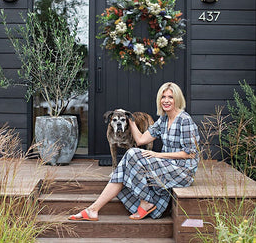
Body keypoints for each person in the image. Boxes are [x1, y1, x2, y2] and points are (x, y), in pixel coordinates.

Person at [68, 82, 200, 221]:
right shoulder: (164, 120)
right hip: (166, 164)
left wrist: (157, 154)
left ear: (177, 99)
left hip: (183, 170)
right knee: (130, 157)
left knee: (132, 154)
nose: (166, 100)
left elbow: (190, 153)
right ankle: (93, 209)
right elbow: (141, 140)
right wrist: (128, 118)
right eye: (163, 97)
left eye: (170, 97)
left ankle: (143, 202)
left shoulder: (184, 120)